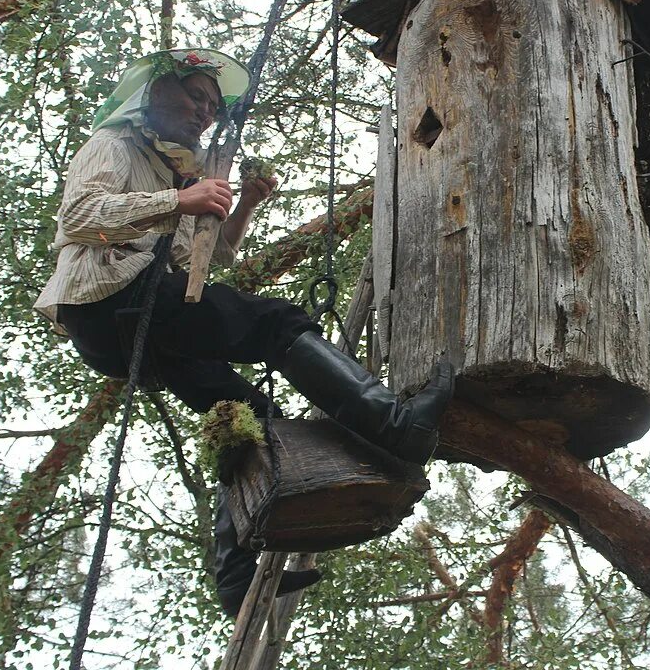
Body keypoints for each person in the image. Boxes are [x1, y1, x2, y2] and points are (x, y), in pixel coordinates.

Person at [33, 48, 454, 617]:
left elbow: (210, 256)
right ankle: (395, 425)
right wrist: (180, 199)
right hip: (108, 299)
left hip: (135, 323)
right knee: (275, 323)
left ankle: (233, 573)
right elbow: (79, 217)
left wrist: (243, 203)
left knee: (245, 417)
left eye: (212, 104)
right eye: (195, 96)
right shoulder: (115, 144)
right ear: (156, 93)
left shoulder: (176, 170)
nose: (205, 111)